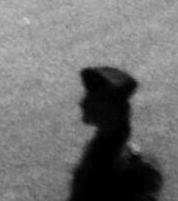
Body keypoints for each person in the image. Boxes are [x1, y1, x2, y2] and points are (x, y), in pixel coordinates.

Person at [68, 66, 163, 201]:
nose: (82, 103)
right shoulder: (98, 153)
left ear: (111, 109)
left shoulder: (130, 168)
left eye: (92, 97)